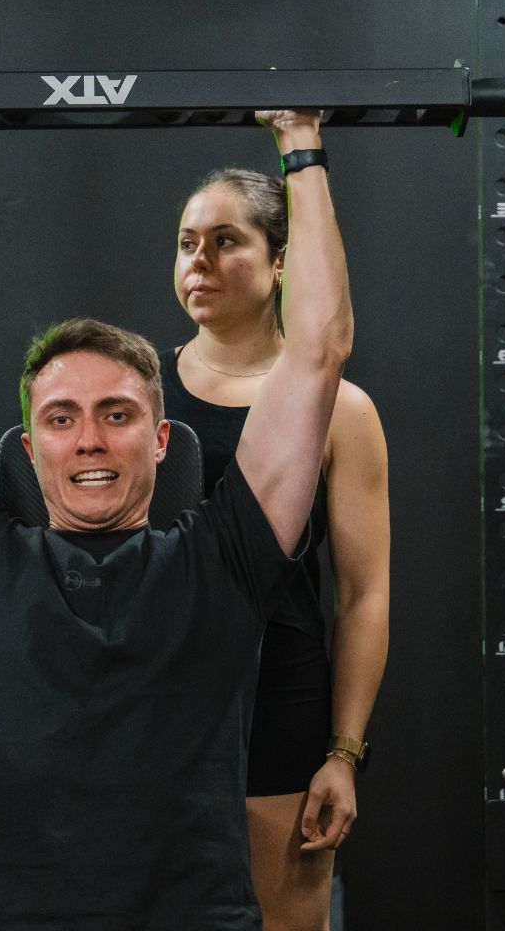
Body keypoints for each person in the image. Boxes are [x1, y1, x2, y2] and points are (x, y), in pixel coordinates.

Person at [0, 108, 352, 930]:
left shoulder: (225, 559)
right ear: (29, 445)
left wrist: (301, 142)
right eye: (61, 419)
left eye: (116, 414)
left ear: (160, 439)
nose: (88, 441)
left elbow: (317, 353)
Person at [166, 165, 390, 930]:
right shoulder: (134, 398)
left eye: (226, 241)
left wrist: (343, 753)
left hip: (280, 708)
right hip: (153, 708)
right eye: (187, 242)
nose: (199, 261)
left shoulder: (342, 411)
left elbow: (366, 595)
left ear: (282, 261)